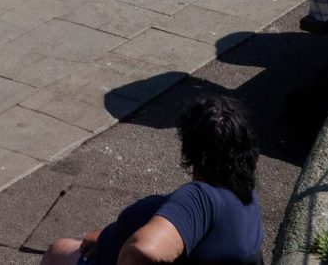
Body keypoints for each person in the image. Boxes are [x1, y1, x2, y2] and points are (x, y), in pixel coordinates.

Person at [42, 95, 265, 265]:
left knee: (57, 251)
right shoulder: (244, 195)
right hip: (107, 243)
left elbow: (141, 251)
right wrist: (106, 236)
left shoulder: (201, 198)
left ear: (192, 152)